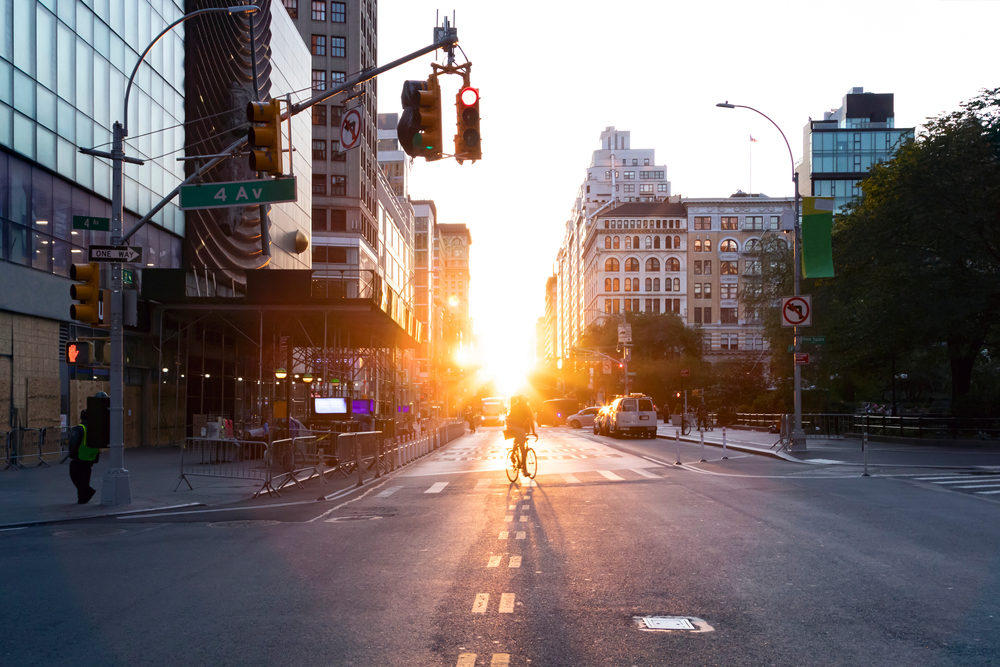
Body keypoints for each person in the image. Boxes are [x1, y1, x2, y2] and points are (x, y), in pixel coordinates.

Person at [68, 409, 100, 504]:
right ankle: (83, 497)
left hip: (80, 456)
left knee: (74, 474)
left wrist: (71, 452)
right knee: (85, 476)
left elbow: (73, 443)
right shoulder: (95, 428)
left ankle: (87, 492)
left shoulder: (79, 428)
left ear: (81, 417)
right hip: (91, 456)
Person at [506, 395, 537, 474]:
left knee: (517, 439)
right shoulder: (526, 408)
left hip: (512, 427)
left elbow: (509, 417)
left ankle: (513, 453)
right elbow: (531, 420)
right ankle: (524, 470)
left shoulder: (514, 406)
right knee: (523, 450)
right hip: (519, 428)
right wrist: (533, 432)